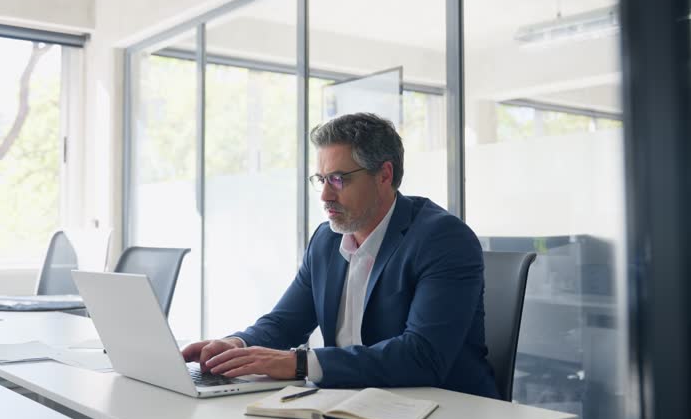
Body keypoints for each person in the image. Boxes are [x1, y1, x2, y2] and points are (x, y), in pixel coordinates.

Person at [181, 112, 498, 398]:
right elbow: (284, 323)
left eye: (338, 179)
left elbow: (421, 355)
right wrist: (237, 346)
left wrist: (300, 363)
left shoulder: (442, 239)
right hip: (352, 404)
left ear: (384, 175)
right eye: (321, 179)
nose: (325, 195)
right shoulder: (326, 240)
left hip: (447, 412)